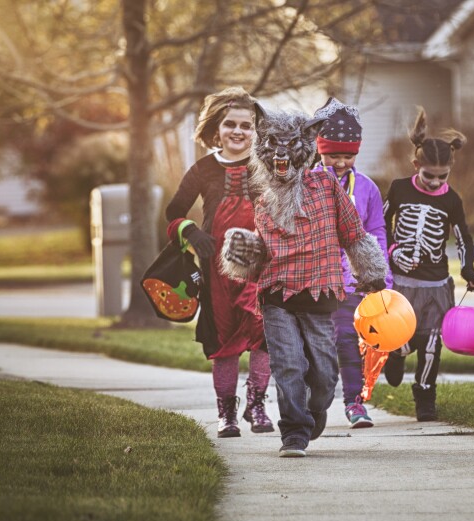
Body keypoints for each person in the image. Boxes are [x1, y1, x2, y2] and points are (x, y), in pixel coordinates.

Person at [219, 104, 388, 458]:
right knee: (289, 364)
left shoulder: (326, 184)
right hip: (277, 294)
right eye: (273, 147)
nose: (281, 156)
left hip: (321, 293)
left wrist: (371, 274)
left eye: (289, 147)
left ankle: (313, 413)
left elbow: (354, 233)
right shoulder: (263, 196)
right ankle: (294, 433)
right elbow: (263, 250)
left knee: (325, 375)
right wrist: (243, 252)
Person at [164, 87, 274, 438]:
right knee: (222, 341)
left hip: (261, 265)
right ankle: (225, 412)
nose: (238, 132)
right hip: (216, 271)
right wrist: (191, 232)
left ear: (256, 131)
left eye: (246, 125)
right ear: (217, 128)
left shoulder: (267, 164)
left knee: (263, 336)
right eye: (230, 125)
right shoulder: (203, 169)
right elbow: (173, 212)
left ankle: (256, 405)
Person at [381, 107, 474, 421]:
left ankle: (425, 395)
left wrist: (468, 269)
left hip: (436, 285)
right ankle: (395, 354)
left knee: (432, 342)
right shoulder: (399, 189)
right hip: (401, 283)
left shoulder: (451, 199)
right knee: (402, 336)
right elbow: (379, 226)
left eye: (443, 177)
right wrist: (392, 251)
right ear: (416, 165)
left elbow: (463, 236)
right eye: (429, 176)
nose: (436, 182)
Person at [311, 97, 392, 429]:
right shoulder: (307, 182)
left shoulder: (368, 189)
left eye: (347, 155)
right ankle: (313, 404)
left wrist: (380, 278)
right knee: (315, 349)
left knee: (347, 340)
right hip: (313, 282)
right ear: (319, 150)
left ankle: (354, 403)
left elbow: (376, 232)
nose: (340, 162)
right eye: (333, 155)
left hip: (350, 284)